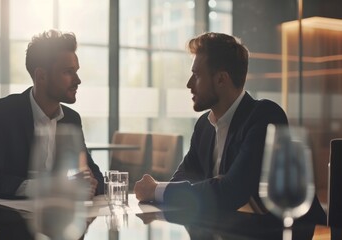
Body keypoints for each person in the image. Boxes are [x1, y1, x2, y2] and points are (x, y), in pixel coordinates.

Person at [134, 32, 325, 223]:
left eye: (196, 75)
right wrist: (169, 190)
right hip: (233, 232)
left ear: (221, 79)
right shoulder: (203, 126)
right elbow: (182, 182)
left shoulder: (264, 116)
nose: (189, 84)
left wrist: (155, 189)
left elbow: (232, 191)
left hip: (295, 232)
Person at [0, 29, 104, 199]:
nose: (78, 80)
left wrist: (92, 184)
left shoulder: (71, 119)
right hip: (9, 222)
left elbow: (94, 174)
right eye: (68, 72)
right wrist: (46, 188)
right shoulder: (0, 114)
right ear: (41, 76)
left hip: (59, 219)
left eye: (76, 71)